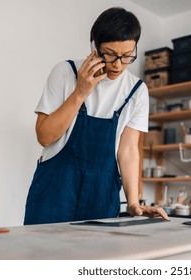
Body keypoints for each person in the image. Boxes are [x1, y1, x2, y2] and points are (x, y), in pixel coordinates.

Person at [24, 7, 169, 225]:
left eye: (127, 55)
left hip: (100, 196)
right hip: (54, 193)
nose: (118, 64)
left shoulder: (137, 90)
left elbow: (128, 150)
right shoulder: (66, 72)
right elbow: (44, 136)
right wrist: (80, 92)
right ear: (94, 46)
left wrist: (132, 203)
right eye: (110, 54)